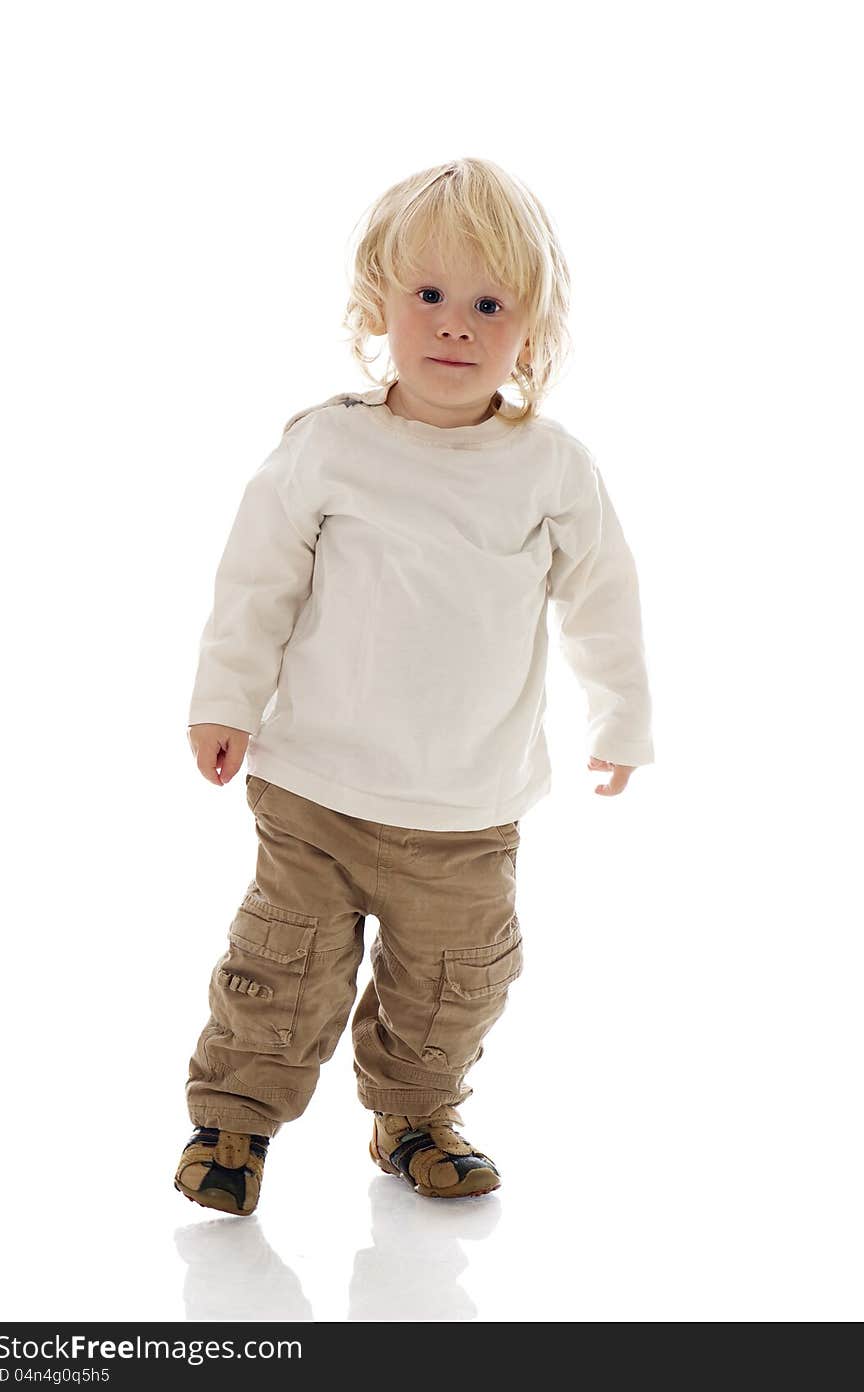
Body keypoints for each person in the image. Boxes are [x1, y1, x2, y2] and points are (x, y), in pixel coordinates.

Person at [174, 157, 655, 1216]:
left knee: (453, 985)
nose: (455, 327)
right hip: (315, 787)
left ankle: (417, 1116)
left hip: (466, 810)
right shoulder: (330, 446)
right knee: (282, 966)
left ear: (530, 329)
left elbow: (601, 596)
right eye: (428, 297)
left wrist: (621, 714)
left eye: (489, 305)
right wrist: (225, 701)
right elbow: (256, 582)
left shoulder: (548, 467)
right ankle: (233, 1124)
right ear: (375, 306)